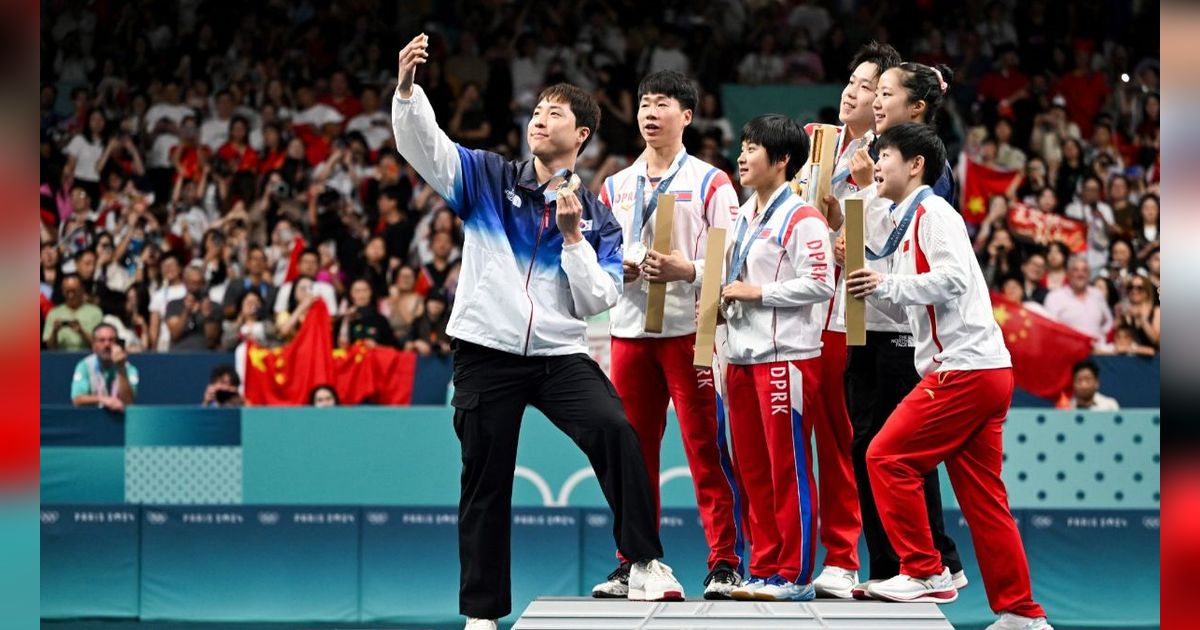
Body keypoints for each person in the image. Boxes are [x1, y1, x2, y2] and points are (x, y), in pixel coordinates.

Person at [392, 34, 683, 630]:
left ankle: (646, 561)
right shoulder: (486, 177)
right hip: (485, 353)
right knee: (485, 483)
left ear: (581, 135)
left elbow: (598, 299)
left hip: (557, 354)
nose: (539, 119)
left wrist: (575, 238)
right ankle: (481, 614)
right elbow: (429, 149)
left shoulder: (597, 214)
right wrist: (406, 91)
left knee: (615, 429)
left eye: (555, 113)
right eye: (537, 111)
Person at [846, 123, 1051, 630]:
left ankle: (924, 569)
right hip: (983, 369)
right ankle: (1023, 613)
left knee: (885, 456)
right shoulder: (903, 218)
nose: (877, 164)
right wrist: (870, 274)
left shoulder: (934, 212)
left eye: (885, 155)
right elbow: (899, 287)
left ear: (915, 164)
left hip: (965, 369)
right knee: (985, 503)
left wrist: (886, 281)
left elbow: (954, 278)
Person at [591, 70, 742, 601]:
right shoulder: (614, 185)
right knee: (633, 453)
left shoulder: (711, 182)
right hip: (630, 332)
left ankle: (724, 561)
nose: (651, 113)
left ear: (688, 115)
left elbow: (732, 256)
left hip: (691, 332)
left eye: (662, 104)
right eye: (644, 105)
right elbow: (599, 254)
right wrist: (623, 268)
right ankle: (634, 559)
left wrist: (688, 270)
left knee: (705, 447)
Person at [839, 59, 967, 598]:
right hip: (866, 322)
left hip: (904, 331)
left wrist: (867, 201)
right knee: (869, 445)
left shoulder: (924, 166)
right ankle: (893, 564)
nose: (873, 99)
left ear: (915, 107)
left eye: (883, 91)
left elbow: (910, 247)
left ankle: (931, 561)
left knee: (896, 451)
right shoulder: (875, 154)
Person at [798, 41, 903, 600]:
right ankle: (790, 559)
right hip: (799, 314)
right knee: (796, 442)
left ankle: (844, 558)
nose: (853, 92)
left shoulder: (891, 156)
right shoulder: (826, 146)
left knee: (842, 443)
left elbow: (890, 241)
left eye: (869, 87)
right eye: (853, 81)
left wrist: (859, 199)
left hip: (851, 318)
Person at [721, 114, 834, 602]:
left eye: (753, 149)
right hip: (741, 359)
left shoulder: (802, 217)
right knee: (751, 470)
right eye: (742, 147)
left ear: (782, 160)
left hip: (785, 357)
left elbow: (822, 283)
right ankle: (764, 566)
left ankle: (795, 574)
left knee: (786, 466)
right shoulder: (743, 215)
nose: (742, 157)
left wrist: (757, 292)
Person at [1043, 256, 1113, 346]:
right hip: (1069, 352)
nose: (1080, 274)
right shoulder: (1055, 297)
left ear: (1089, 274)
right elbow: (1049, 328)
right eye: (1075, 270)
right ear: (1068, 274)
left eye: (1085, 270)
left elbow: (1109, 322)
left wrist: (1101, 337)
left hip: (1097, 352)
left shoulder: (1097, 295)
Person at [71, 322, 138, 412]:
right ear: (94, 345)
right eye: (102, 340)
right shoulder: (84, 365)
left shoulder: (129, 368)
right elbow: (77, 400)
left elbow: (129, 402)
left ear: (117, 343)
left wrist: (121, 369)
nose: (107, 345)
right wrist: (103, 400)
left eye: (111, 340)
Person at [44, 273, 104, 351]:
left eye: (74, 291)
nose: (70, 295)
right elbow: (49, 348)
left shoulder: (95, 312)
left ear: (82, 290)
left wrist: (81, 331)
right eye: (67, 291)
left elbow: (100, 345)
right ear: (62, 291)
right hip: (60, 358)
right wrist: (55, 331)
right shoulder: (53, 313)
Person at [337, 278, 399, 348]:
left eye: (365, 290)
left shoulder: (380, 320)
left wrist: (377, 346)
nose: (361, 294)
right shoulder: (344, 319)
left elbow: (394, 346)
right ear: (351, 293)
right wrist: (346, 320)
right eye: (357, 291)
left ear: (370, 292)